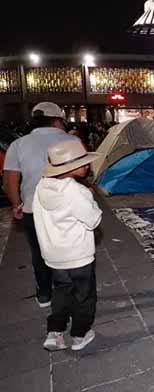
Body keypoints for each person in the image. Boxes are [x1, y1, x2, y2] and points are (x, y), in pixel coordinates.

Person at [2, 102, 79, 308]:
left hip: (33, 209)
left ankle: (44, 294)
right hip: (67, 207)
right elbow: (81, 173)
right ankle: (70, 291)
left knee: (39, 253)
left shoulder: (18, 145)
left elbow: (9, 180)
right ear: (57, 121)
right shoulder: (71, 140)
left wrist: (16, 204)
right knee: (69, 250)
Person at [33, 139, 102, 351]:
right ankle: (80, 335)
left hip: (54, 256)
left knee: (61, 293)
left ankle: (55, 332)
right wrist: (92, 200)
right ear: (72, 167)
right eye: (84, 163)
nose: (87, 166)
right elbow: (93, 219)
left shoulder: (41, 186)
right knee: (84, 295)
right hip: (79, 255)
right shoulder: (76, 192)